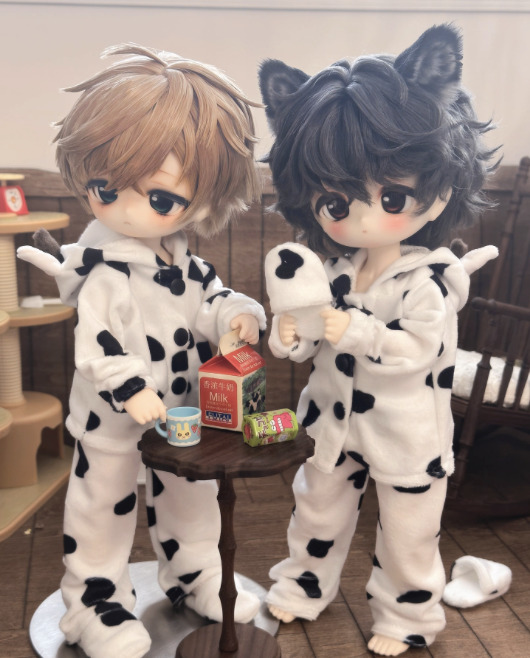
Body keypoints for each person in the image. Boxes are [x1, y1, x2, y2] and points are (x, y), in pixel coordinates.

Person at [18, 43, 266, 658]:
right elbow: (97, 343)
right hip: (113, 418)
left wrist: (237, 315)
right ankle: (93, 602)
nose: (126, 209)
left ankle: (195, 572)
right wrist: (131, 389)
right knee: (102, 506)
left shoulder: (183, 262)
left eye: (158, 198)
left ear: (203, 201)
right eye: (104, 187)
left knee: (192, 496)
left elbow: (212, 299)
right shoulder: (104, 271)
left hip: (182, 414)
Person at [259, 24, 499, 656]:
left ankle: (408, 617)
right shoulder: (334, 272)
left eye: (392, 196)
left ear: (440, 185)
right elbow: (313, 343)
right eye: (335, 203)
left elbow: (419, 351)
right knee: (315, 510)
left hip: (408, 436)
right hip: (333, 425)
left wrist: (358, 330)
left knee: (408, 533)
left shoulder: (430, 280)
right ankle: (302, 585)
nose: (361, 217)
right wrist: (291, 335)